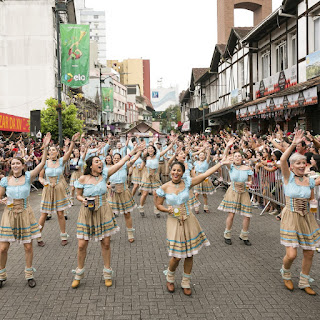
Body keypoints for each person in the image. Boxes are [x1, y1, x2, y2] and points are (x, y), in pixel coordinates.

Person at [71, 144, 142, 288]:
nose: (100, 163)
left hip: (104, 211)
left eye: (100, 161)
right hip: (87, 213)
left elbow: (121, 163)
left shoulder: (105, 175)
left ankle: (107, 273)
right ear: (90, 166)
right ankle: (79, 273)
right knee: (82, 245)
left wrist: (133, 152)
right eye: (97, 161)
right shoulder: (83, 179)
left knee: (106, 243)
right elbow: (78, 196)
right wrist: (83, 200)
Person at [155, 159, 227, 296]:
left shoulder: (187, 183)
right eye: (174, 170)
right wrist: (167, 209)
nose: (176, 173)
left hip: (189, 220)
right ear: (170, 171)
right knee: (176, 256)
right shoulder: (163, 188)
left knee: (189, 253)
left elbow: (205, 174)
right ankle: (170, 277)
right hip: (173, 222)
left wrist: (220, 163)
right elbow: (158, 205)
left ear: (182, 173)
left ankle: (186, 282)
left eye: (179, 171)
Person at [0, 133, 51, 288]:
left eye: (18, 163)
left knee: (28, 246)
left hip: (25, 212)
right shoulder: (5, 180)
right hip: (8, 214)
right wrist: (1, 200)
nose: (15, 165)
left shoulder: (28, 177)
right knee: (3, 248)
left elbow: (42, 164)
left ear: (22, 166)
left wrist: (46, 147)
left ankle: (29, 274)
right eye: (13, 163)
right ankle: (1, 276)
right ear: (11, 166)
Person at [279, 130, 320, 295]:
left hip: (307, 218)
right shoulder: (287, 177)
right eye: (298, 163)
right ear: (291, 166)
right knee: (291, 254)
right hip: (291, 217)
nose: (302, 165)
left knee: (309, 252)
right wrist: (294, 144)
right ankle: (286, 272)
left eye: (304, 163)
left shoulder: (310, 180)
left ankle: (304, 281)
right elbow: (282, 159)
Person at [37, 132, 80, 247]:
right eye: (50, 151)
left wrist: (73, 141)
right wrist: (44, 182)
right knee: (44, 214)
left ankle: (63, 235)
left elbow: (70, 152)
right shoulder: (45, 163)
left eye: (53, 150)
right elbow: (40, 177)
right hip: (48, 189)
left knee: (60, 214)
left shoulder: (61, 161)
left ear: (57, 152)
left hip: (59, 189)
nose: (51, 152)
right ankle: (38, 236)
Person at [218, 138, 254, 246]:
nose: (237, 158)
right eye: (235, 156)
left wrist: (249, 183)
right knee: (231, 214)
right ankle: (227, 234)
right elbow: (224, 158)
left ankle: (244, 235)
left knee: (247, 215)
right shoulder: (231, 167)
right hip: (233, 191)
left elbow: (250, 180)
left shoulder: (247, 168)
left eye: (239, 156)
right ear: (233, 158)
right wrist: (227, 146)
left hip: (243, 191)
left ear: (242, 158)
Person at [107, 145, 143, 243]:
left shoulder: (124, 166)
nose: (116, 160)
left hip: (124, 192)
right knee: (109, 215)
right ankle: (108, 234)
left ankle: (130, 234)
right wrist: (108, 186)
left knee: (127, 214)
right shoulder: (108, 169)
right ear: (112, 159)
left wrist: (139, 151)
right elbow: (103, 181)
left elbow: (134, 159)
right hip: (112, 194)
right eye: (115, 158)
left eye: (118, 158)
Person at [139, 140, 175, 217]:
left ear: (154, 150)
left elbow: (165, 150)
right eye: (149, 149)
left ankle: (156, 209)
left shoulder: (158, 156)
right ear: (147, 151)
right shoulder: (145, 158)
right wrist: (139, 167)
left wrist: (171, 144)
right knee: (144, 194)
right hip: (147, 177)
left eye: (151, 149)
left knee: (156, 194)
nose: (150, 150)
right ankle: (141, 207)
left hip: (155, 177)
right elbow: (141, 168)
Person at [193, 148, 214, 213]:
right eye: (200, 155)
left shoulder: (206, 162)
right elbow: (194, 170)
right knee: (196, 194)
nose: (201, 156)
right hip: (197, 178)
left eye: (203, 155)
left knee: (204, 194)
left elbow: (208, 155)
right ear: (198, 156)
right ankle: (196, 207)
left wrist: (207, 149)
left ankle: (206, 207)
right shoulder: (196, 162)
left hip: (204, 179)